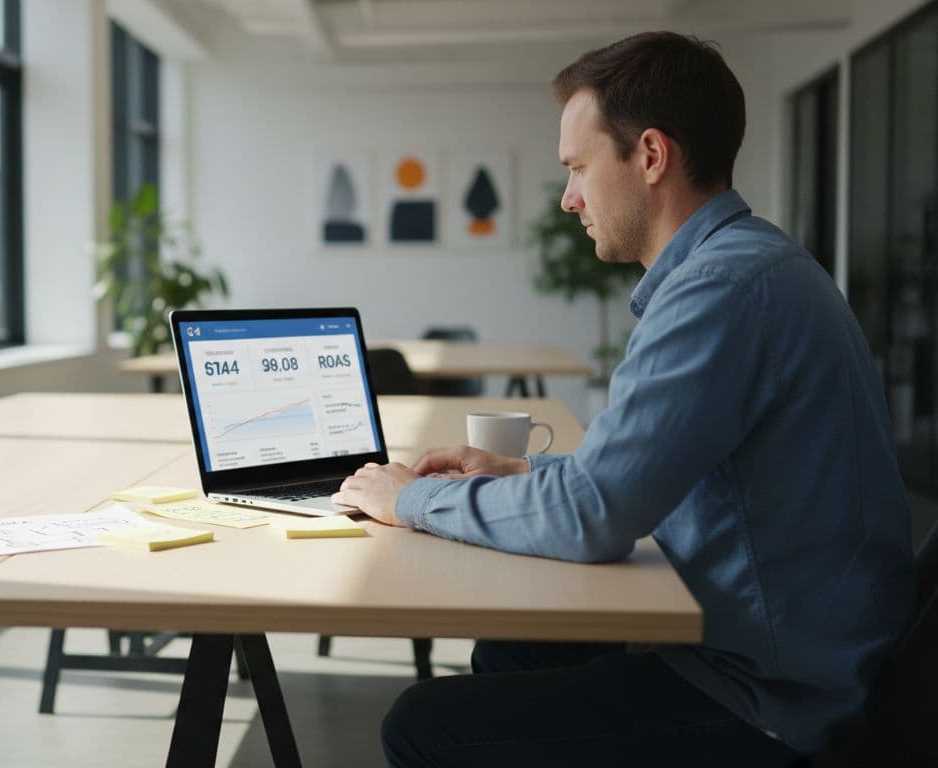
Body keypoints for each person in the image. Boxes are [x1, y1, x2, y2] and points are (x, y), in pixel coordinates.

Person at [331, 31, 916, 767]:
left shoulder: (718, 291)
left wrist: (407, 500)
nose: (569, 198)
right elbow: (636, 482)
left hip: (770, 702)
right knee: (516, 647)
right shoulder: (752, 264)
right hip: (802, 661)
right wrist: (520, 470)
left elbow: (593, 516)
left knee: (421, 725)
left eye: (578, 167)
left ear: (650, 155)